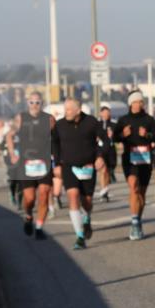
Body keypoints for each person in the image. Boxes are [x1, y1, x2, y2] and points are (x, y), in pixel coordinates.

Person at [52, 98, 107, 249]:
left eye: (69, 109)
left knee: (87, 202)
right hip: (69, 166)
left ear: (78, 110)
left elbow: (105, 140)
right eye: (65, 109)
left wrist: (100, 156)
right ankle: (80, 237)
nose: (66, 112)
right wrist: (57, 163)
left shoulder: (91, 122)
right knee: (73, 196)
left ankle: (87, 218)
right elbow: (54, 143)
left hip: (88, 166)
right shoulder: (60, 125)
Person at [7, 91, 56, 240]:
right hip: (26, 163)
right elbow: (9, 135)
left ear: (42, 104)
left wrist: (57, 156)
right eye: (32, 102)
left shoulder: (49, 119)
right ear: (27, 103)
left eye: (37, 102)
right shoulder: (21, 118)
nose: (34, 105)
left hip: (44, 162)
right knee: (29, 198)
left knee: (44, 194)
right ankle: (28, 215)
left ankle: (39, 227)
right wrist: (12, 154)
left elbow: (58, 137)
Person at [114, 91, 155, 240]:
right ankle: (134, 223)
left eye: (141, 101)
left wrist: (147, 135)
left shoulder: (149, 120)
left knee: (141, 193)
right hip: (129, 158)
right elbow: (114, 138)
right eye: (136, 101)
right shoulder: (123, 120)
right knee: (133, 186)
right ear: (130, 104)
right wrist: (123, 135)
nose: (139, 104)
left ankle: (138, 220)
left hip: (145, 159)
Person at [96, 105, 118, 201]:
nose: (106, 115)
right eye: (104, 113)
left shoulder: (113, 125)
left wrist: (113, 135)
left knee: (108, 172)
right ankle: (103, 190)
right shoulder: (97, 124)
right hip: (100, 150)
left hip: (111, 150)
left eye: (107, 113)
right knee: (103, 170)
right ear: (101, 114)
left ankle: (105, 190)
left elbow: (118, 137)